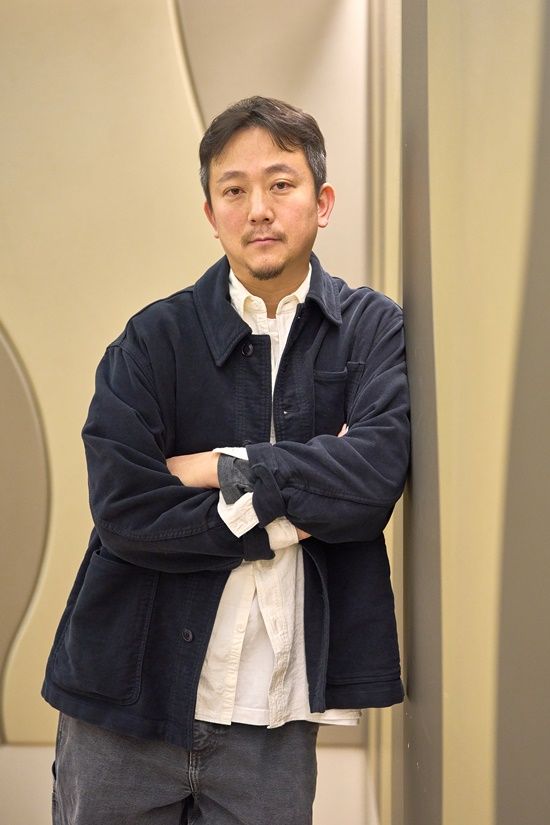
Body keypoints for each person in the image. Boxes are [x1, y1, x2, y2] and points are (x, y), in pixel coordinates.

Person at [43, 96, 410, 825]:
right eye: (234, 190)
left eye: (281, 183)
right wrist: (290, 515)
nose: (258, 209)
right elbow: (125, 510)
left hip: (273, 718)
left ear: (322, 202)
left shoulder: (370, 329)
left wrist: (218, 464)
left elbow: (371, 479)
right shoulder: (152, 340)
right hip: (124, 698)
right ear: (211, 214)